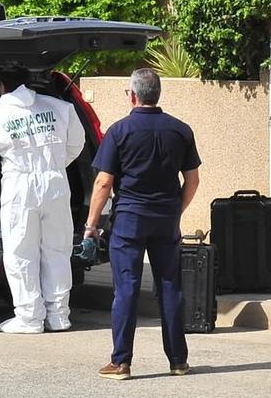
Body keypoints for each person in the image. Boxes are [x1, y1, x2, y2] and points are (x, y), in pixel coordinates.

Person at [81, 67, 202, 379]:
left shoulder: (119, 131)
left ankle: (121, 361)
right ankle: (178, 360)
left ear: (132, 95)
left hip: (129, 219)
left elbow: (103, 182)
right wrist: (176, 210)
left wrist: (91, 225)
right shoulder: (181, 130)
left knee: (127, 288)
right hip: (166, 218)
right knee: (170, 286)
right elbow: (192, 180)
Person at [0, 63, 86, 334]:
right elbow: (76, 143)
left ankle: (29, 317)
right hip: (56, 184)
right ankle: (59, 315)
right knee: (57, 250)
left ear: (2, 86)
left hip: (19, 187)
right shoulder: (60, 108)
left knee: (21, 252)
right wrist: (55, 166)